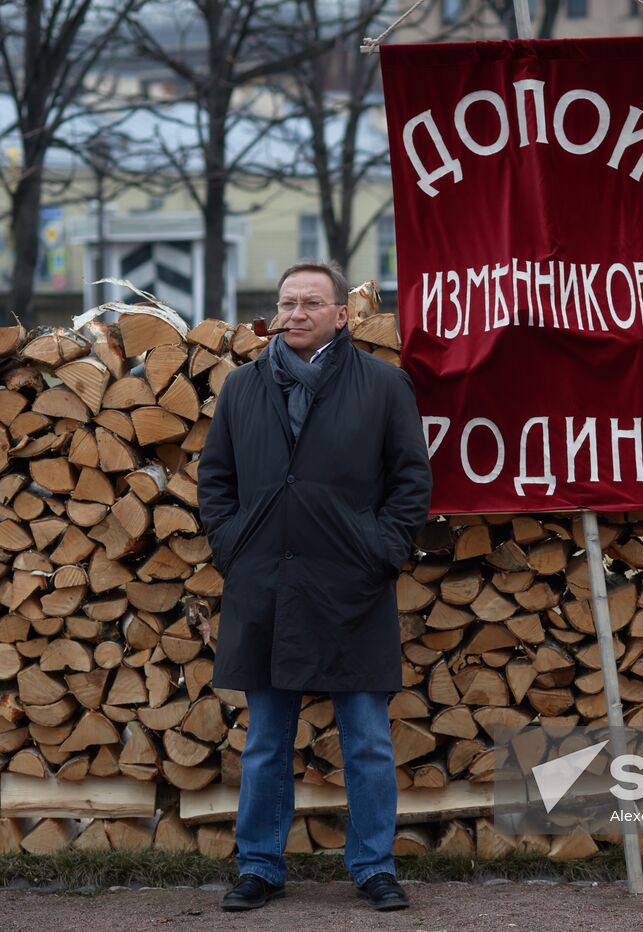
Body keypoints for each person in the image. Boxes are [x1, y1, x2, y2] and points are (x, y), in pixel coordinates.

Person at [197, 260, 432, 913]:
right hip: (265, 584)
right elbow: (216, 480)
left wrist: (381, 551)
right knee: (267, 742)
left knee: (367, 740)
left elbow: (411, 480)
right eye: (286, 303)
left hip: (352, 585)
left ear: (340, 315)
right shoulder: (242, 387)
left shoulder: (383, 385)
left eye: (310, 303)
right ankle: (259, 866)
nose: (295, 313)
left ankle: (374, 867)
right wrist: (233, 547)